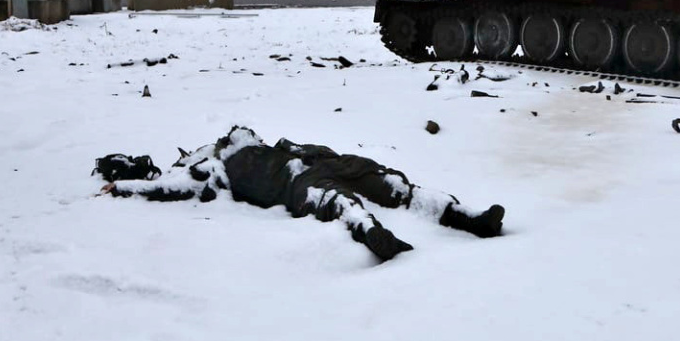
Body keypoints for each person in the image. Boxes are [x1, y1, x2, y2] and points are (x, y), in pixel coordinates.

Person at [97, 126, 505, 262]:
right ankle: (375, 237)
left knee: (395, 186)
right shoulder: (210, 168)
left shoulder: (255, 143)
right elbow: (170, 189)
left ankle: (470, 219)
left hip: (321, 159)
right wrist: (126, 187)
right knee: (339, 203)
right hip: (295, 184)